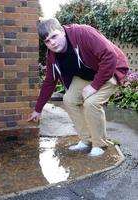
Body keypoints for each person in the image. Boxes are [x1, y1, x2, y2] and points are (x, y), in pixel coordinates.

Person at [27, 18, 129, 156]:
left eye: (54, 36)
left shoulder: (83, 33)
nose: (52, 43)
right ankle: (86, 140)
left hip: (111, 70)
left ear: (62, 31)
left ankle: (100, 144)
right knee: (69, 100)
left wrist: (94, 87)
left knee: (91, 103)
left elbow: (110, 57)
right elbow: (50, 81)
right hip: (88, 75)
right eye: (47, 41)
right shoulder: (52, 55)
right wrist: (38, 109)